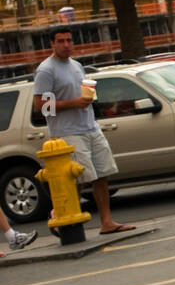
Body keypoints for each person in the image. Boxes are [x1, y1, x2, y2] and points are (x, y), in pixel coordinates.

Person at [31, 28, 134, 234]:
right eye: (61, 41)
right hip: (67, 131)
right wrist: (73, 103)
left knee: (101, 174)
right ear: (52, 44)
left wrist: (88, 99)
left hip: (90, 126)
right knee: (79, 177)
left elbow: (83, 93)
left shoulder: (77, 65)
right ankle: (58, 213)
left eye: (69, 40)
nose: (66, 45)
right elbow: (39, 105)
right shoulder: (46, 70)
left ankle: (107, 222)